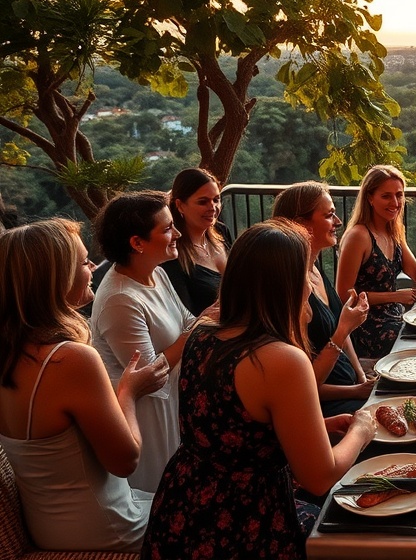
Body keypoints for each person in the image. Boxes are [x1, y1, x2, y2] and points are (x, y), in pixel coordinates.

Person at [142, 219, 377, 559]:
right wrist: (362, 429)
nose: (310, 286)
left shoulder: (203, 333)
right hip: (245, 525)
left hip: (182, 508)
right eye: (305, 274)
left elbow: (234, 432)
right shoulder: (280, 359)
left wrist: (318, 428)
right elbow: (319, 477)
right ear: (289, 285)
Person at [0, 219, 169, 552]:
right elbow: (125, 461)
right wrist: (129, 392)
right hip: (105, 529)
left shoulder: (13, 354)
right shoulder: (69, 360)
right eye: (82, 262)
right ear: (55, 278)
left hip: (51, 526)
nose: (92, 268)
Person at [91, 190, 216, 492]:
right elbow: (151, 375)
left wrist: (206, 320)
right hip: (147, 419)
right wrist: (199, 329)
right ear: (137, 243)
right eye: (167, 229)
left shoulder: (156, 273)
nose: (177, 234)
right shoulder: (120, 299)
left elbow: (187, 320)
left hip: (174, 405)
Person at [336, 164, 416, 359]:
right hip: (367, 326)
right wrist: (395, 296)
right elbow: (345, 296)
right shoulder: (359, 236)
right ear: (370, 198)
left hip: (395, 317)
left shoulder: (394, 232)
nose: (395, 202)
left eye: (399, 195)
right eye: (386, 196)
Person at [273, 181, 376, 416]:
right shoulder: (292, 289)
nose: (338, 222)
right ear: (300, 224)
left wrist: (361, 377)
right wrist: (355, 391)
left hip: (350, 385)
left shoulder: (315, 268)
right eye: (329, 215)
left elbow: (342, 329)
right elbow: (303, 386)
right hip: (326, 407)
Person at [161, 168, 231, 316]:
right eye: (203, 202)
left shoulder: (221, 231)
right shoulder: (172, 253)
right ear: (180, 205)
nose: (213, 208)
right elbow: (185, 314)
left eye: (216, 200)